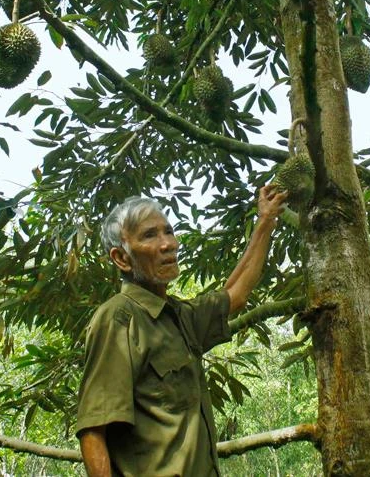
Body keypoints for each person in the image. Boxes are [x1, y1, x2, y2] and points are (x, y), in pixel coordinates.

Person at [76, 186, 288, 476]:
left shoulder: (180, 316)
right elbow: (93, 431)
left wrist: (265, 221)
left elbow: (235, 294)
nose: (168, 244)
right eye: (150, 236)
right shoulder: (119, 319)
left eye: (169, 232)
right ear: (122, 258)